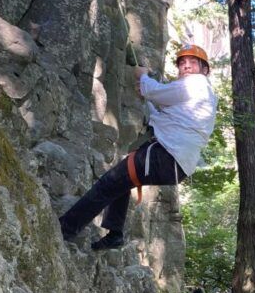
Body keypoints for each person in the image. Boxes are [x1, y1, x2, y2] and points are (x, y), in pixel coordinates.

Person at [59, 44, 217, 250]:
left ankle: (64, 229)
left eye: (193, 62)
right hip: (174, 164)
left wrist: (143, 77)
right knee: (121, 182)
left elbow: (155, 91)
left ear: (204, 69)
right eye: (182, 63)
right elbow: (160, 115)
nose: (186, 66)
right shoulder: (201, 95)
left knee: (108, 183)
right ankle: (115, 234)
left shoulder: (196, 83)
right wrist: (146, 97)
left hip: (165, 155)